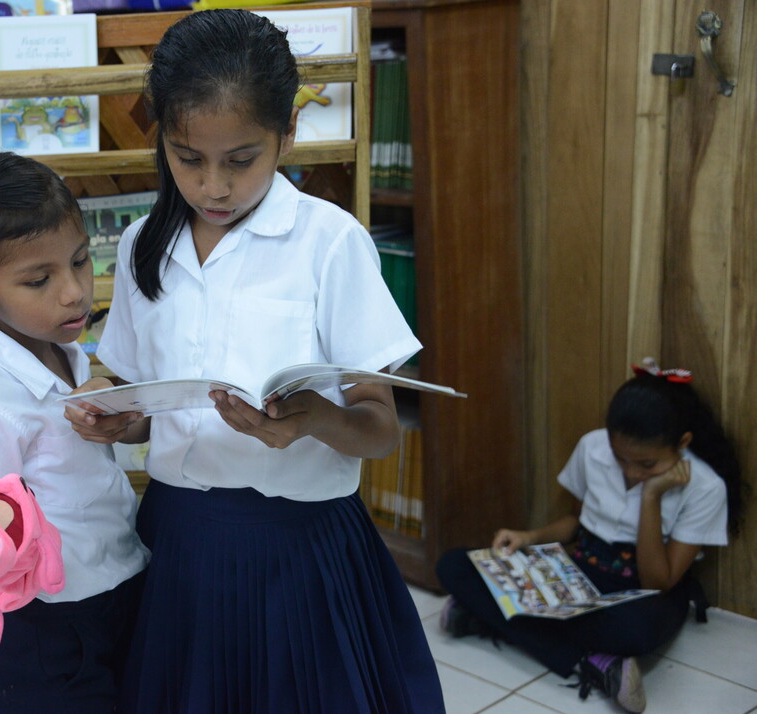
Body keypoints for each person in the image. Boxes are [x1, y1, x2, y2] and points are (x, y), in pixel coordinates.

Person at [65, 10, 445, 713]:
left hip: (298, 552)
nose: (213, 187)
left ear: (286, 136)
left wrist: (312, 420)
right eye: (187, 157)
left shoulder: (329, 242)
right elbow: (154, 407)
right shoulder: (148, 241)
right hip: (177, 541)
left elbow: (380, 429)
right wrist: (122, 422)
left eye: (240, 160)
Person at [0, 152, 149, 714]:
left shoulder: (57, 347)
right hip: (45, 624)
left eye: (82, 261)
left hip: (113, 585)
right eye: (39, 280)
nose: (73, 292)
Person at [435, 359, 744, 714]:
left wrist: (652, 496)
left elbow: (659, 580)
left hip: (641, 591)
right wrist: (529, 536)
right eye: (620, 458)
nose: (630, 470)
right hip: (580, 568)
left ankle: (486, 617)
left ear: (683, 443)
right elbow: (576, 522)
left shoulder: (704, 486)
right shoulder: (593, 447)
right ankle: (598, 662)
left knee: (636, 631)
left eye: (646, 464)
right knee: (454, 566)